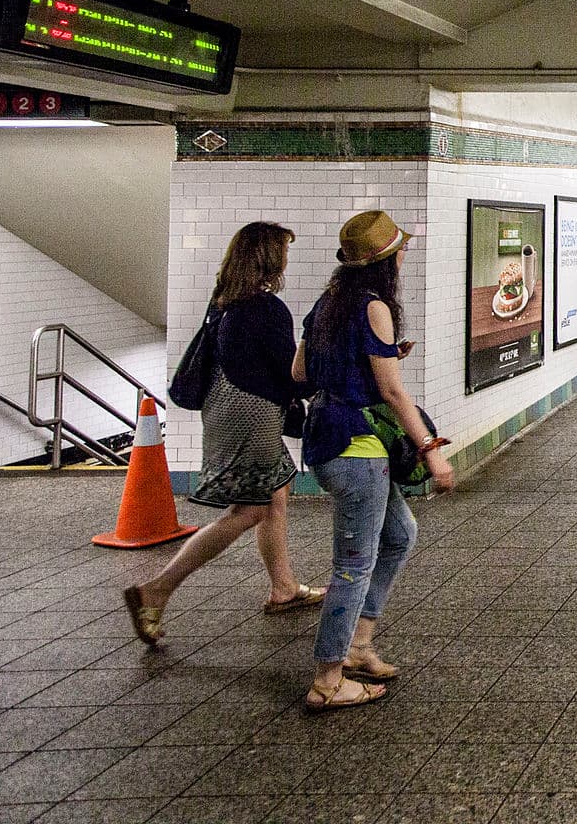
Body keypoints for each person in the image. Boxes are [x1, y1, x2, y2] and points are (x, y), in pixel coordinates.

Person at [123, 222, 322, 647]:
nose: (287, 258)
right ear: (270, 259)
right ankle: (155, 589)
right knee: (246, 511)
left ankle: (283, 586)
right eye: (283, 251)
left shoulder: (225, 303)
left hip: (226, 411)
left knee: (275, 495)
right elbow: (292, 373)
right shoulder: (266, 309)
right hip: (251, 419)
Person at [294, 210, 452, 712]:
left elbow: (300, 370)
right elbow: (391, 390)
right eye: (401, 249)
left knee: (400, 535)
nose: (406, 255)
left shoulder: (327, 303)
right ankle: (327, 678)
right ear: (387, 259)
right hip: (357, 447)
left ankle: (358, 645)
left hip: (324, 435)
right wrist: (430, 451)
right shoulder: (374, 307)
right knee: (352, 566)